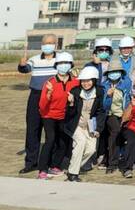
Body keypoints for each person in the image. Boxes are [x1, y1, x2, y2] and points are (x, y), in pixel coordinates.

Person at [18, 34, 58, 174]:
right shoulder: (34, 59)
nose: (48, 45)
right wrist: (22, 65)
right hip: (36, 96)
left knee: (51, 132)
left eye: (51, 43)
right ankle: (31, 162)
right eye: (46, 43)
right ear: (42, 45)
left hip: (53, 99)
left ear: (56, 45)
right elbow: (25, 69)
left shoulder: (60, 60)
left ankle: (49, 163)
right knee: (32, 130)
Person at [37, 52, 78, 180]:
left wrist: (73, 101)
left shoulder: (76, 82)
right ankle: (42, 169)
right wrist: (48, 94)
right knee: (50, 140)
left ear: (71, 65)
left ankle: (55, 166)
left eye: (66, 63)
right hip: (49, 115)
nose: (64, 66)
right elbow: (42, 106)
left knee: (63, 142)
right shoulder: (50, 82)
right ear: (56, 66)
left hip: (65, 116)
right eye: (61, 63)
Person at [64, 66, 106, 182]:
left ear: (94, 80)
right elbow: (69, 114)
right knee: (81, 143)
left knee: (91, 149)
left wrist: (98, 129)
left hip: (90, 126)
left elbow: (101, 112)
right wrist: (71, 103)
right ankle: (73, 173)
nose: (85, 83)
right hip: (76, 125)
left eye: (88, 81)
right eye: (83, 81)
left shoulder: (99, 92)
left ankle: (73, 167)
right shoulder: (75, 92)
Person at [100, 59, 131, 174]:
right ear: (108, 74)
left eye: (117, 71)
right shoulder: (104, 86)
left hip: (124, 114)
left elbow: (129, 100)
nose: (114, 74)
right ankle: (112, 163)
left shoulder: (126, 83)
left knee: (124, 135)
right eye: (111, 72)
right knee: (115, 132)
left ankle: (122, 160)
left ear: (121, 72)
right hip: (110, 114)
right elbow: (103, 106)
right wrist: (108, 96)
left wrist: (126, 113)